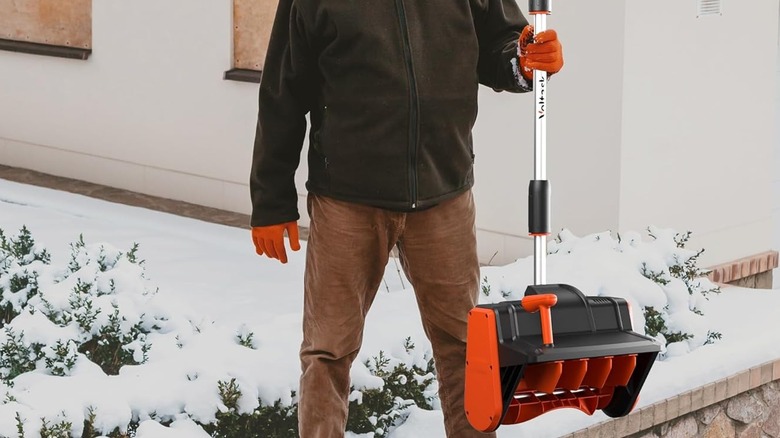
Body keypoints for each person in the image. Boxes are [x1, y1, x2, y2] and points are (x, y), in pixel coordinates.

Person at [249, 0, 563, 435]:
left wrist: (524, 63)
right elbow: (284, 89)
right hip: (348, 199)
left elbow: (500, 46)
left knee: (465, 347)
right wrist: (271, 201)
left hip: (443, 195)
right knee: (327, 351)